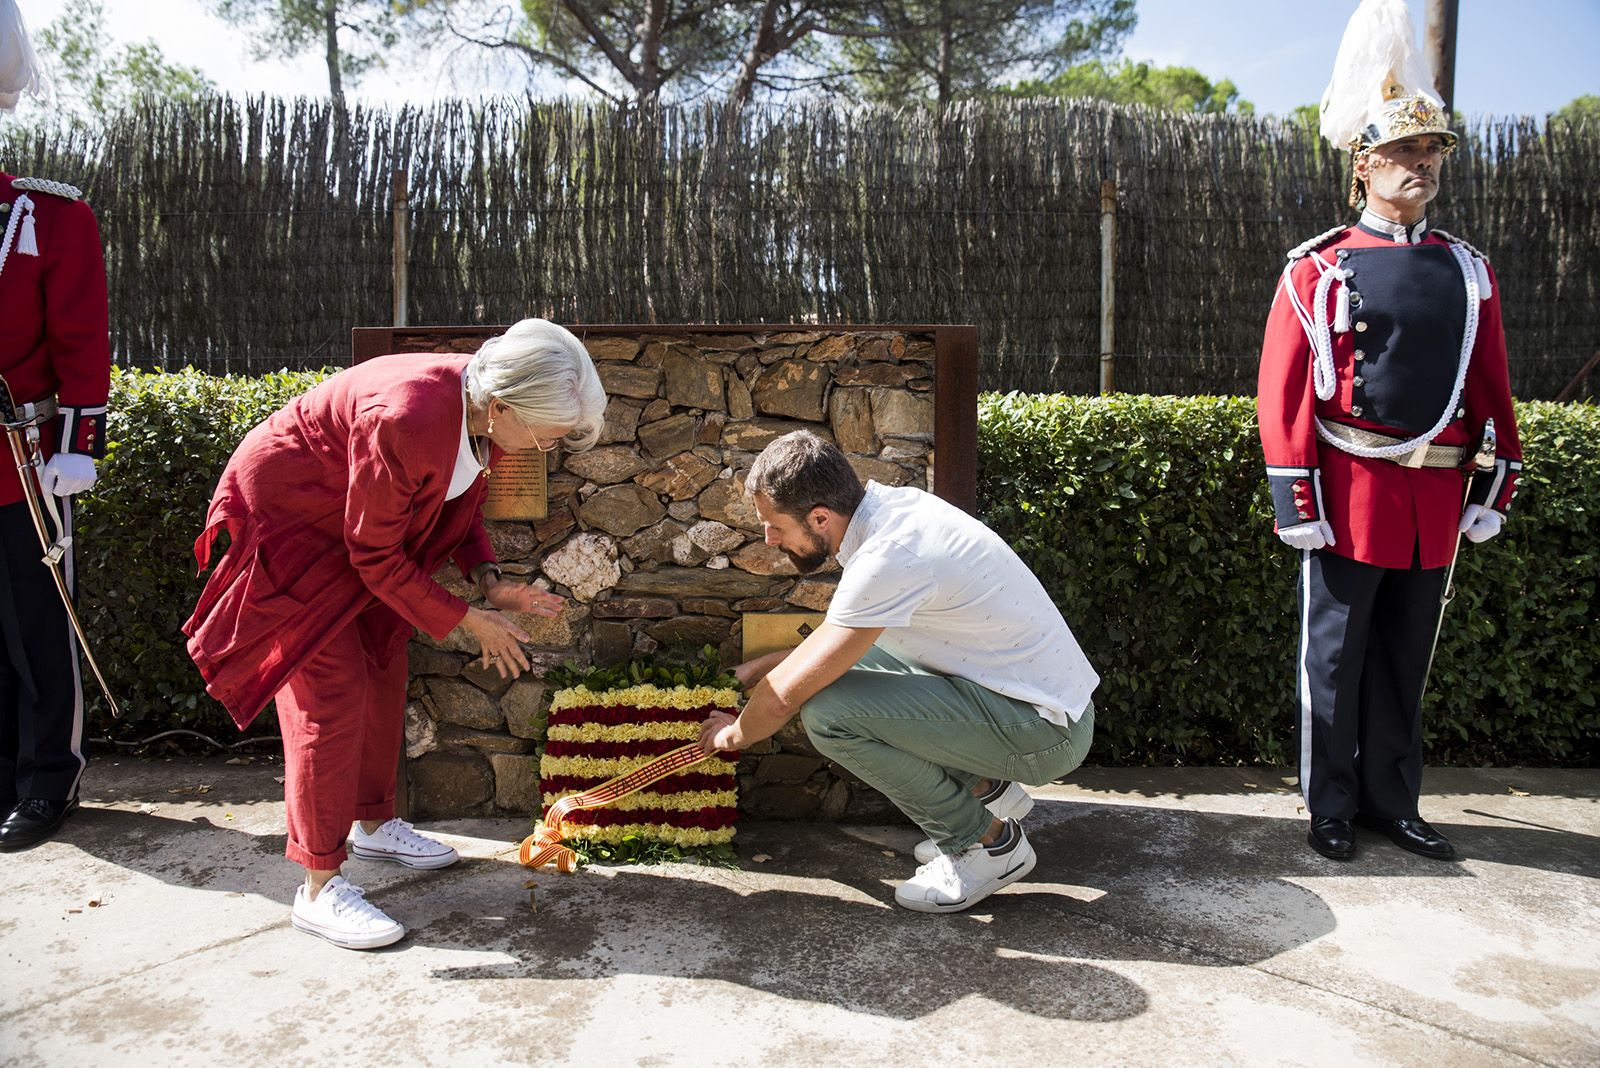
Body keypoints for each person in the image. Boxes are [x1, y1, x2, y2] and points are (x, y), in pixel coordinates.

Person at [184, 318, 606, 948]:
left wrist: (488, 582)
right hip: (297, 523)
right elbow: (376, 558)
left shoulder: (482, 403)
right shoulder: (406, 417)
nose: (543, 450)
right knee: (330, 697)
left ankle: (374, 826)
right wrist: (467, 621)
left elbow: (455, 505)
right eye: (545, 439)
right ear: (501, 408)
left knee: (384, 665)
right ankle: (318, 887)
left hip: (359, 533)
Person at [1256, 0, 1521, 863]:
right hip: (1349, 489)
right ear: (1364, 163)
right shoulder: (1318, 269)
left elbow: (1490, 387)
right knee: (1333, 662)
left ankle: (1391, 802)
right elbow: (1283, 391)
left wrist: (1494, 484)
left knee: (1407, 659)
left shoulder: (1466, 269)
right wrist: (1296, 494)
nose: (1423, 167)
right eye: (1406, 153)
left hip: (1434, 494)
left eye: (1433, 152)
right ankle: (1329, 804)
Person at [698, 431, 1098, 914]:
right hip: (1036, 704)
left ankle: (986, 845)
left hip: (1045, 732)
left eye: (775, 526)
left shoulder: (888, 557)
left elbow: (784, 697)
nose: (769, 539)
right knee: (848, 668)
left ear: (819, 517)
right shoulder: (895, 511)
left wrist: (734, 734)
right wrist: (755, 668)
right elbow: (837, 645)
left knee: (829, 713)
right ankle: (989, 793)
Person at [0, 0, 112, 852]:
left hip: (20, 458)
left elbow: (82, 344)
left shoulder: (49, 218)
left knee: (38, 626)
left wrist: (75, 451)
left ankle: (48, 778)